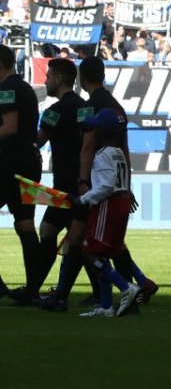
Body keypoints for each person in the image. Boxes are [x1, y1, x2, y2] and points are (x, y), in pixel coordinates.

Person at [74, 56, 158, 306]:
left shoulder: (92, 107)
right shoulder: (116, 107)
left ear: (82, 77)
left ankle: (118, 291)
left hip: (100, 189)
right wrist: (127, 186)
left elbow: (88, 146)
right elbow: (125, 148)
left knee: (86, 244)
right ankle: (140, 283)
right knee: (114, 244)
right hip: (119, 188)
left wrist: (82, 182)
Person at [23, 58, 87, 306]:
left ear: (59, 79)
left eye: (48, 76)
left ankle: (42, 291)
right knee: (65, 234)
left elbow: (37, 142)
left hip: (65, 185)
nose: (46, 80)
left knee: (66, 237)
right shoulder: (84, 106)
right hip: (82, 181)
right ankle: (37, 288)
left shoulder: (54, 111)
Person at [76, 109, 141, 318]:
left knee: (88, 251)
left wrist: (83, 199)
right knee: (103, 254)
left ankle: (125, 287)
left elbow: (105, 185)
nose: (92, 130)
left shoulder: (103, 153)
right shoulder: (118, 152)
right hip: (120, 203)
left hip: (108, 205)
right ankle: (105, 306)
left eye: (95, 127)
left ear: (103, 131)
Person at [0, 43, 45, 302]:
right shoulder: (25, 88)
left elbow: (9, 127)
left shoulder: (6, 89)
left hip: (10, 163)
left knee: (25, 224)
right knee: (25, 223)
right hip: (28, 160)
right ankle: (32, 290)